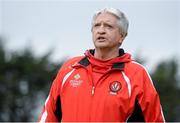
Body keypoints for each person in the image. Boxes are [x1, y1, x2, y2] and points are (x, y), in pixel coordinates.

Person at [38, 7, 165, 122]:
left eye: (108, 26)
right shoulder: (70, 68)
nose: (101, 31)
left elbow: (155, 119)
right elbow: (48, 115)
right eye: (97, 26)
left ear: (122, 36)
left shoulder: (137, 74)